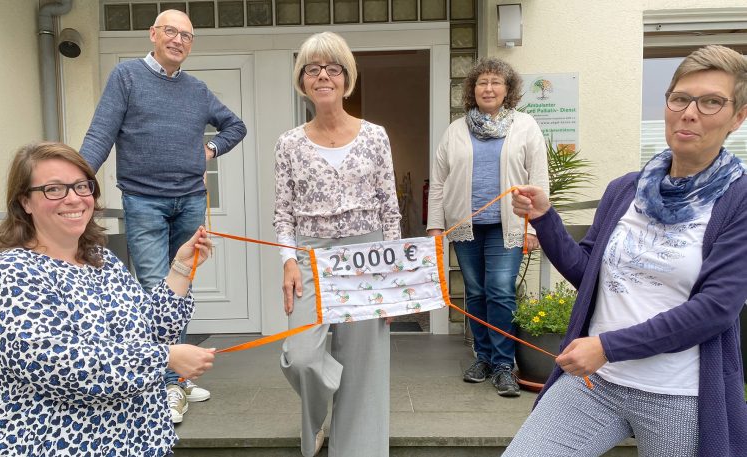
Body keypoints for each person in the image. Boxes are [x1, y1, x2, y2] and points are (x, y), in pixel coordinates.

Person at [505, 45, 747, 457]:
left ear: (737, 117)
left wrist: (608, 346)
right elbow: (588, 273)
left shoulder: (738, 201)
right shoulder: (625, 189)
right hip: (594, 383)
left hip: (677, 394)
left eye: (711, 102)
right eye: (680, 98)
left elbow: (716, 309)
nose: (690, 112)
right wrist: (546, 218)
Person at [0, 142, 216, 456]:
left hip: (138, 442)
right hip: (58, 446)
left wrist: (182, 268)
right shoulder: (13, 270)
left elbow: (152, 331)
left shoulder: (101, 260)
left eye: (81, 186)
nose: (74, 198)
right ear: (25, 202)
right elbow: (56, 364)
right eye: (54, 189)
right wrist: (164, 358)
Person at [79, 8, 246, 423]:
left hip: (189, 200)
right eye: (171, 31)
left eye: (187, 36)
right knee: (156, 287)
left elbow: (234, 127)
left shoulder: (197, 89)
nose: (179, 40)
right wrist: (76, 183)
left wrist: (211, 150)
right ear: (153, 34)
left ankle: (175, 380)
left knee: (180, 289)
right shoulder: (127, 77)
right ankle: (167, 381)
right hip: (144, 201)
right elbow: (100, 134)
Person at [274, 32, 401, 457]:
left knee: (365, 365)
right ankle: (320, 422)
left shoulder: (374, 136)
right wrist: (288, 262)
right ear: (302, 79)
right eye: (313, 69)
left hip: (368, 254)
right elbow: (283, 213)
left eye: (333, 68)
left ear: (347, 78)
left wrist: (391, 267)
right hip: (310, 256)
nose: (323, 76)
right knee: (303, 355)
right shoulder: (289, 143)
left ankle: (358, 449)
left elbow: (390, 208)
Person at [426, 57, 548, 397]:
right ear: (473, 90)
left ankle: (504, 364)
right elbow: (438, 183)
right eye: (482, 83)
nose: (489, 88)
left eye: (496, 82)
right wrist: (435, 226)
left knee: (500, 290)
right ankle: (483, 357)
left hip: (507, 225)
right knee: (476, 292)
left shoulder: (525, 126)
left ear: (507, 89)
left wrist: (535, 227)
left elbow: (538, 179)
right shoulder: (455, 130)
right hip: (465, 226)